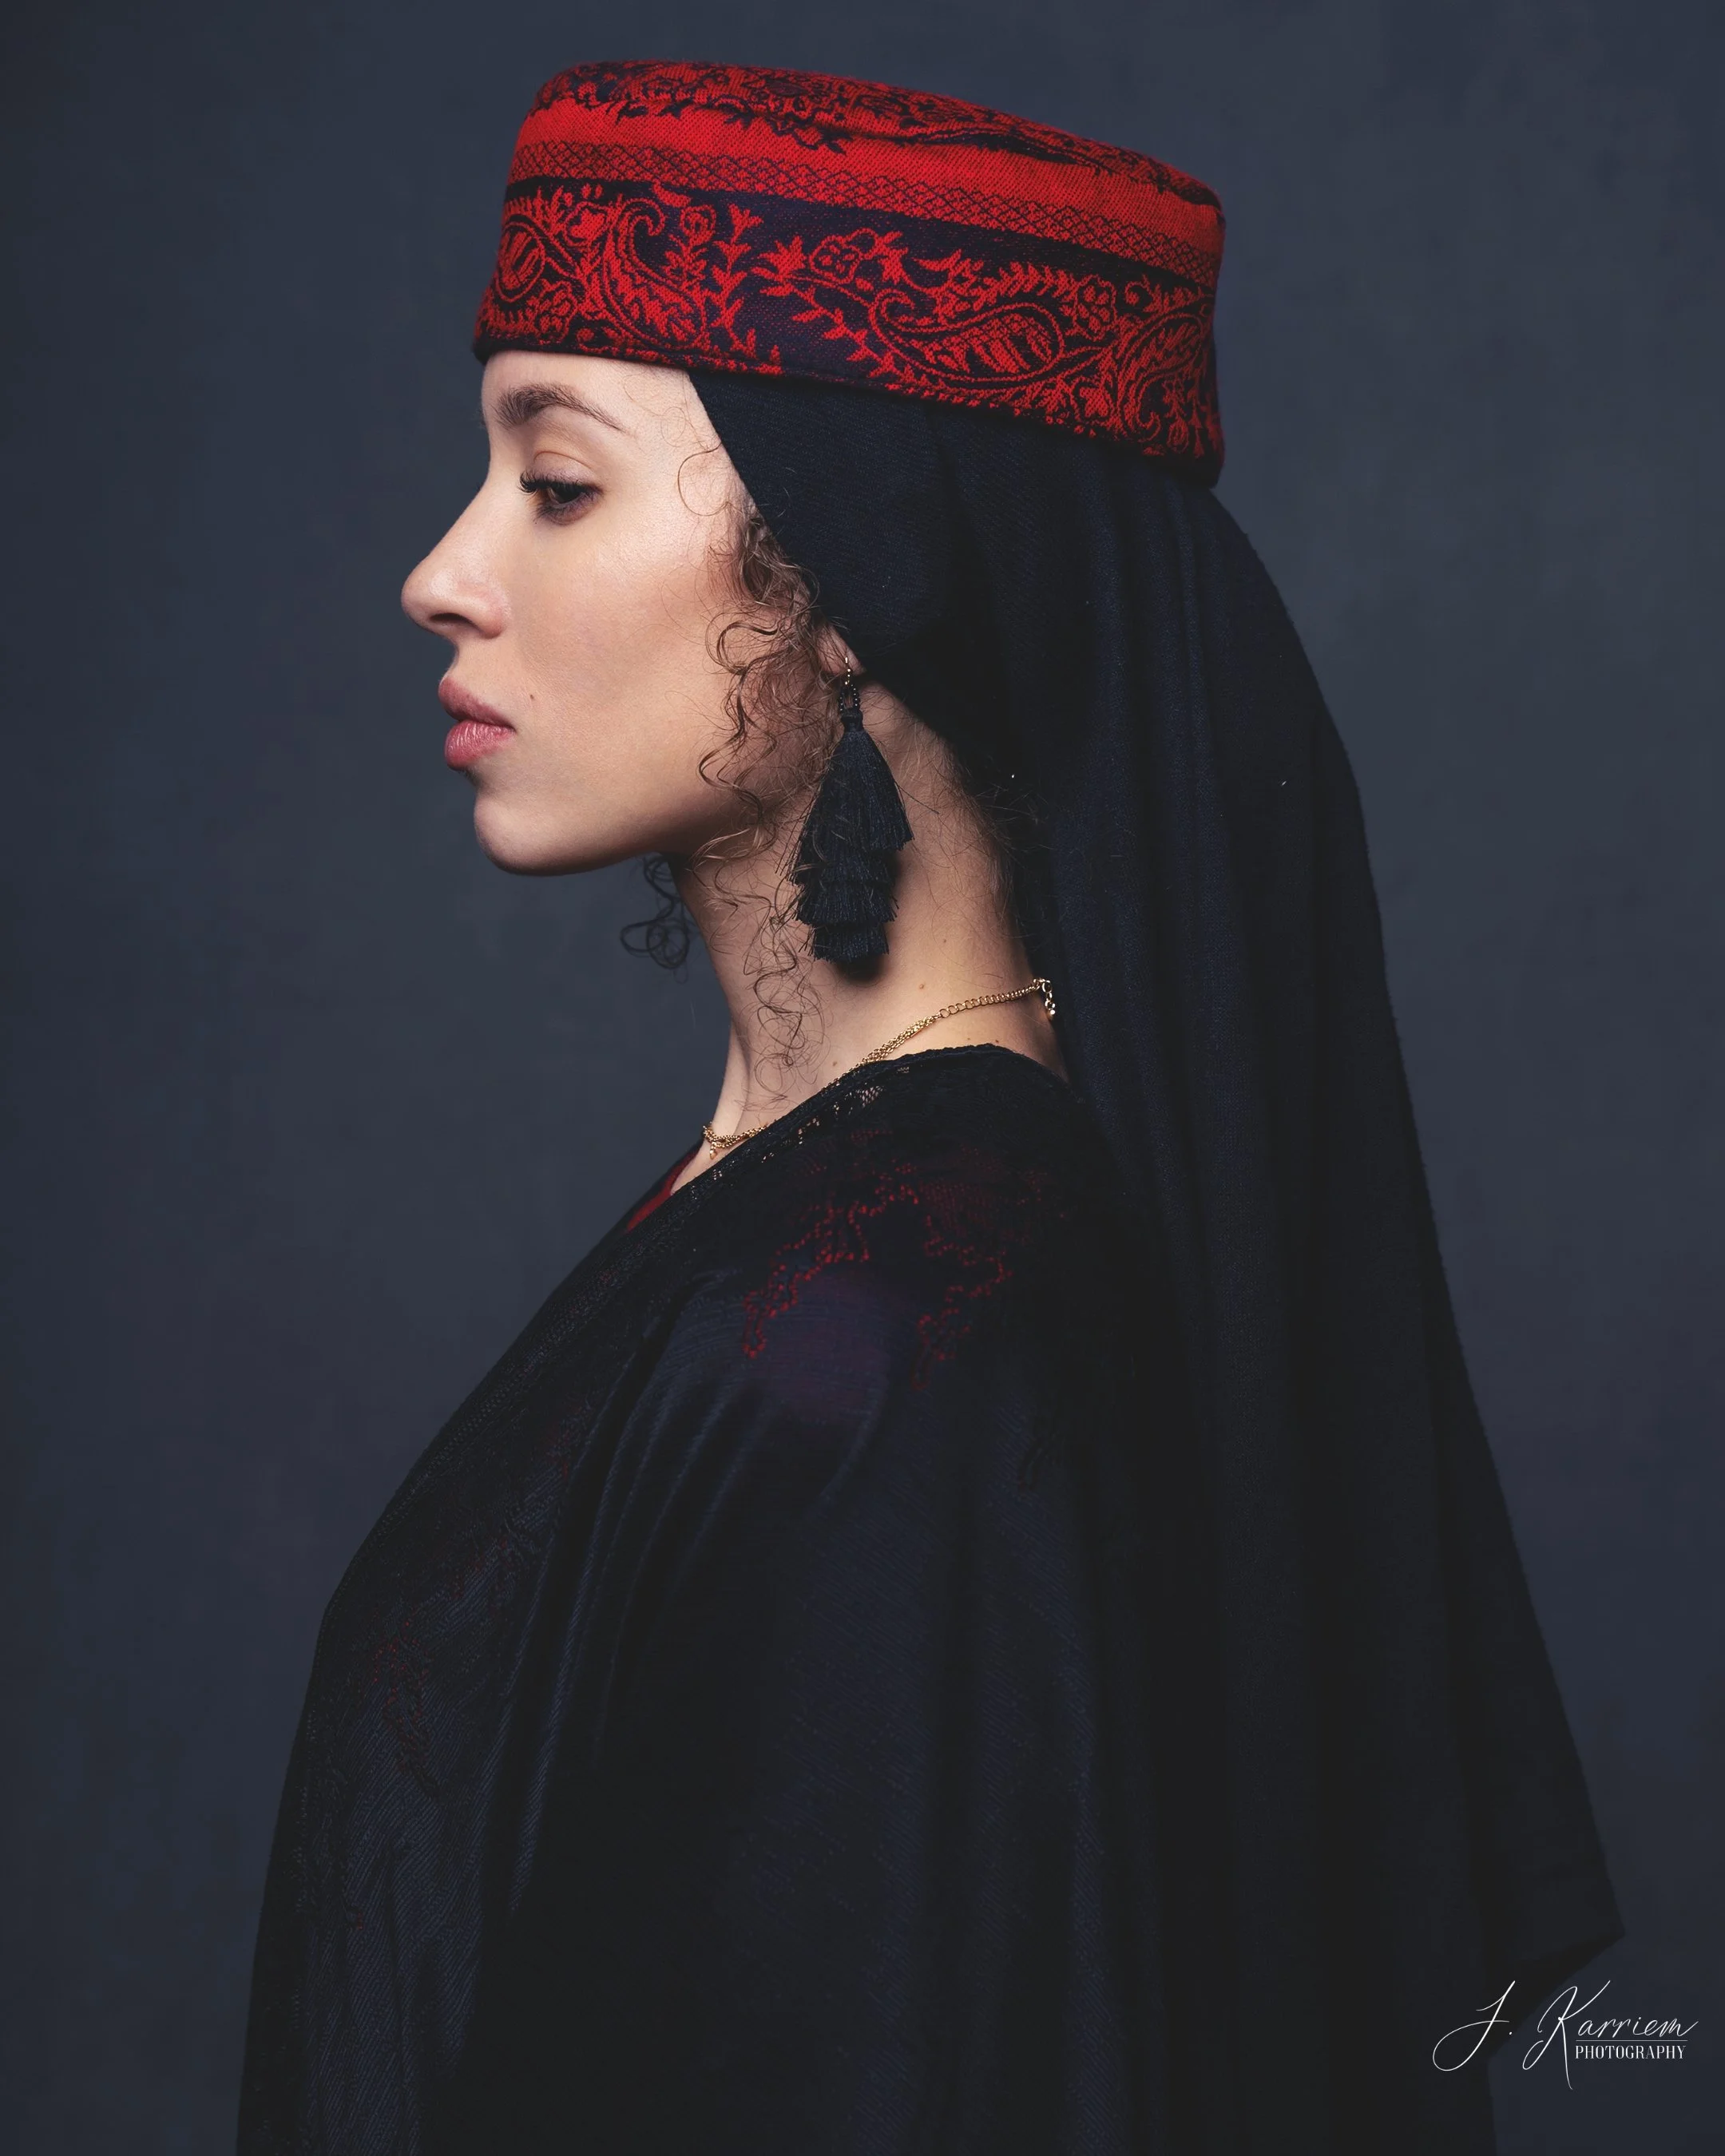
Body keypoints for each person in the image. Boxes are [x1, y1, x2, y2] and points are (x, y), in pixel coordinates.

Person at [238, 61, 1620, 2156]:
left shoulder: (903, 1337)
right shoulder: (821, 1241)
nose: (443, 570)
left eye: (560, 479)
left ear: (861, 564)